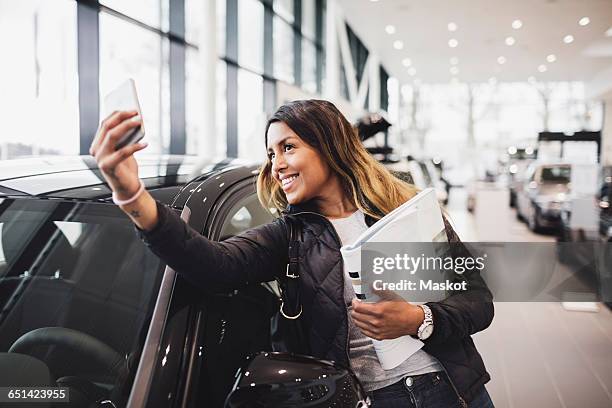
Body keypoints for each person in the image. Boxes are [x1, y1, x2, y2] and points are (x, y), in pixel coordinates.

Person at [90, 100, 495, 407]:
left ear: (330, 147)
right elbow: (213, 265)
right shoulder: (289, 238)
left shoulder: (404, 212)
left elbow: (478, 304)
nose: (277, 164)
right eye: (271, 153)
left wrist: (417, 319)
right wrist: (131, 195)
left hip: (453, 389)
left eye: (288, 147)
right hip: (377, 398)